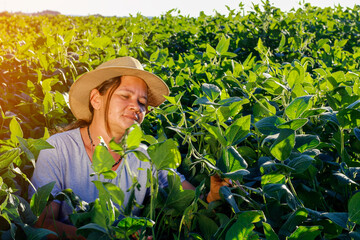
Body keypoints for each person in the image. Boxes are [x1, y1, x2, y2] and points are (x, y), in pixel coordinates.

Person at [29, 56, 226, 240]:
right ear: (96, 99)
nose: (136, 107)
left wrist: (213, 196)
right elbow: (41, 224)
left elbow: (191, 201)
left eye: (142, 103)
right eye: (125, 96)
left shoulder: (145, 156)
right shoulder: (58, 148)